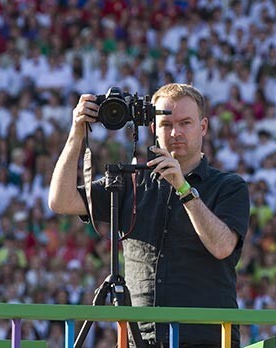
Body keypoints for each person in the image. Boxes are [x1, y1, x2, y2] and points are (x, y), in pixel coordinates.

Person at [48, 83, 250, 347]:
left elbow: (223, 247)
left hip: (206, 336)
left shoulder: (229, 186)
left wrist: (184, 189)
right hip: (142, 338)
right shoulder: (131, 182)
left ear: (203, 127)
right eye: (166, 124)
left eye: (185, 123)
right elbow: (60, 201)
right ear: (153, 129)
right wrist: (76, 133)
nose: (176, 132)